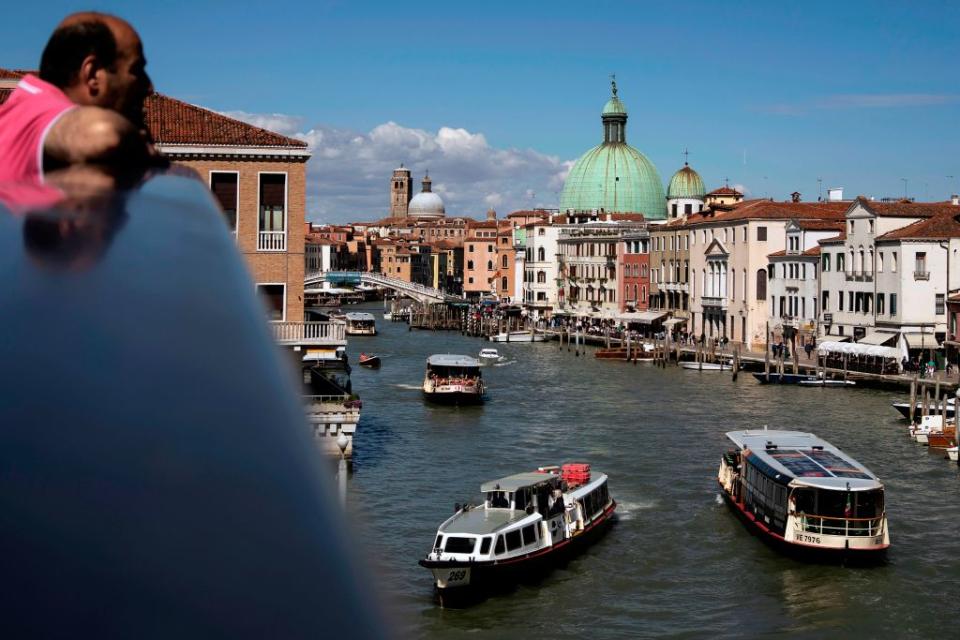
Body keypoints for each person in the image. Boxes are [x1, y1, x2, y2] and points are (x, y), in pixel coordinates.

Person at [0, 12, 163, 186]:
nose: (149, 87)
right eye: (136, 70)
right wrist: (141, 146)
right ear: (92, 75)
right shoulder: (33, 110)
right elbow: (104, 133)